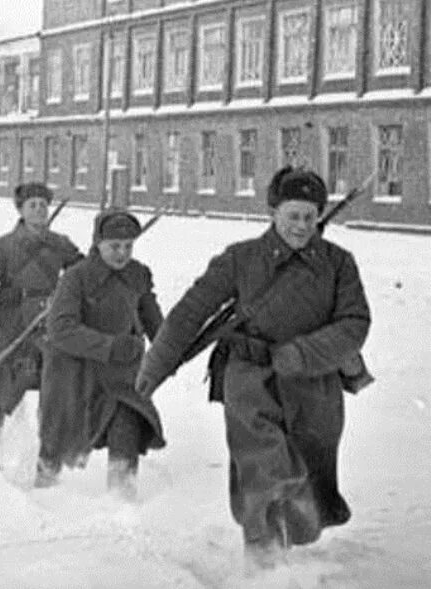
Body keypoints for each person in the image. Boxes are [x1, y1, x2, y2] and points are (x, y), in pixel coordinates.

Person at [135, 166, 371, 570]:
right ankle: (263, 565)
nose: (301, 226)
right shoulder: (240, 259)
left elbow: (354, 324)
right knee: (266, 469)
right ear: (273, 212)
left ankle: (282, 545)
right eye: (292, 215)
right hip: (250, 380)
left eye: (310, 217)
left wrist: (303, 353)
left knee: (307, 484)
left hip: (315, 387)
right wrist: (151, 371)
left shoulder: (338, 264)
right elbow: (189, 315)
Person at [37, 209, 165, 493]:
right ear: (98, 243)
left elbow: (153, 318)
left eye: (128, 246)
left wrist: (171, 346)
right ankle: (42, 496)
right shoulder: (75, 278)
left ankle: (122, 496)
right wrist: (110, 346)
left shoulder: (138, 275)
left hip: (119, 376)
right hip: (73, 374)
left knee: (128, 423)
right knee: (59, 439)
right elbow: (60, 329)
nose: (122, 253)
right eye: (114, 246)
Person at [0, 182, 82, 446]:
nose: (39, 210)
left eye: (43, 205)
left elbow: (82, 273)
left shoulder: (60, 244)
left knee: (53, 377)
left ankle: (48, 439)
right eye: (33, 205)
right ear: (21, 210)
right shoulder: (2, 247)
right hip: (10, 320)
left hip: (46, 320)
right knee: (1, 380)